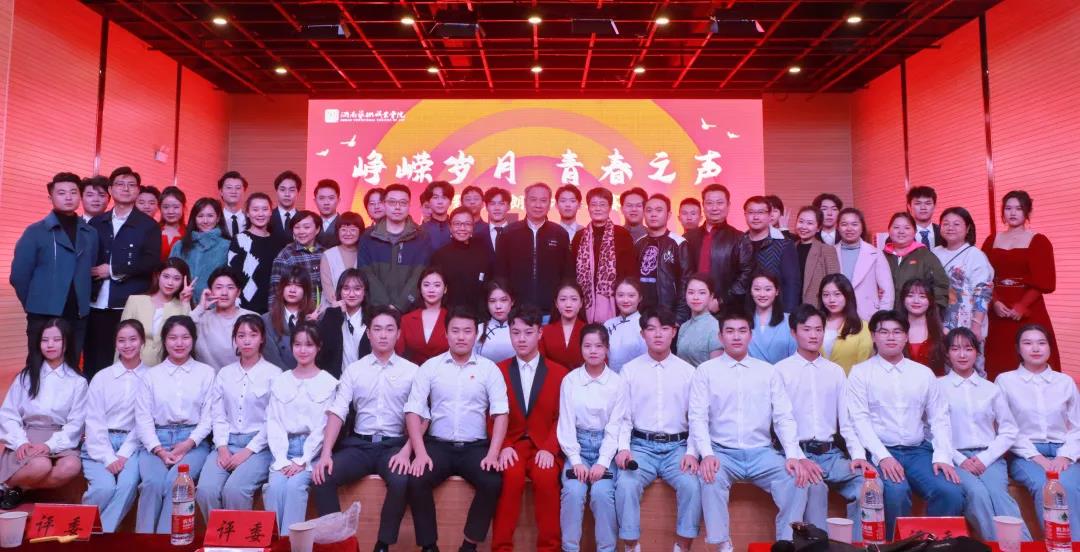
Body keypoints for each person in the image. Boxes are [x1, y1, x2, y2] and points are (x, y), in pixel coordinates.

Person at [692, 309, 807, 549]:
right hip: (722, 452)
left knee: (797, 479)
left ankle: (786, 544)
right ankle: (723, 545)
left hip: (762, 453)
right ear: (720, 336)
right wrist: (707, 454)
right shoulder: (706, 371)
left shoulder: (767, 371)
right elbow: (698, 417)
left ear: (750, 335)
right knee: (710, 477)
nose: (736, 337)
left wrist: (792, 455)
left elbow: (783, 417)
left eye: (742, 331)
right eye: (730, 331)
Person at [845, 310, 964, 540]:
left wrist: (943, 457)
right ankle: (896, 546)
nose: (891, 337)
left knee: (950, 491)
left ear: (906, 336)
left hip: (917, 451)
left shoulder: (923, 374)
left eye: (897, 332)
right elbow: (859, 420)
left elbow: (939, 418)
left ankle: (933, 544)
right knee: (896, 494)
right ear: (873, 336)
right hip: (880, 451)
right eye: (884, 332)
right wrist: (883, 457)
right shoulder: (860, 373)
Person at [404, 307, 510, 552]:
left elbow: (501, 413)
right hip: (438, 446)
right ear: (446, 334)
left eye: (467, 331)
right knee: (416, 479)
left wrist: (493, 454)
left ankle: (469, 546)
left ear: (476, 334)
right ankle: (429, 546)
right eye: (455, 331)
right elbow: (413, 411)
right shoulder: (430, 367)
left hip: (475, 447)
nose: (461, 337)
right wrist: (420, 453)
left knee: (492, 481)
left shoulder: (489, 369)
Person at [312, 306, 417, 551]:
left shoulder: (412, 371)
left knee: (401, 479)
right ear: (368, 333)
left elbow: (421, 417)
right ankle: (338, 544)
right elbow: (338, 412)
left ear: (398, 334)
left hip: (393, 446)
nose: (383, 335)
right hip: (359, 445)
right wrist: (326, 453)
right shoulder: (354, 370)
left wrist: (406, 451)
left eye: (389, 329)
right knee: (322, 476)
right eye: (377, 329)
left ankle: (383, 544)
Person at [774, 305, 870, 540]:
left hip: (831, 455)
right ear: (794, 332)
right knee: (816, 488)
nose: (814, 335)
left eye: (819, 329)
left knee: (868, 484)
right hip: (799, 452)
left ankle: (856, 545)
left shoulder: (835, 372)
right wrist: (799, 457)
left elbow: (847, 421)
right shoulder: (780, 371)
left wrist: (858, 455)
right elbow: (781, 422)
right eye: (807, 329)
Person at [614, 307, 701, 552]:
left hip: (678, 448)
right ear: (643, 334)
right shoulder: (629, 370)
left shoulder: (688, 372)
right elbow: (623, 417)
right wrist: (623, 448)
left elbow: (696, 418)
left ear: (674, 332)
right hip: (641, 447)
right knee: (626, 484)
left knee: (692, 486)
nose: (658, 334)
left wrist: (692, 452)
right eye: (651, 329)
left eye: (664, 328)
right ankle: (632, 546)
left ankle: (681, 547)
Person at [937, 327, 1028, 541]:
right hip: (954, 458)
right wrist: (959, 459)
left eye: (968, 348)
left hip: (989, 457)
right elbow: (930, 431)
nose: (962, 354)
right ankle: (996, 546)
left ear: (977, 352)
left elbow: (1009, 430)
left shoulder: (991, 389)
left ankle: (1024, 546)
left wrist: (985, 458)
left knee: (999, 496)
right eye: (955, 349)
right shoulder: (937, 387)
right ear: (947, 353)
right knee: (977, 495)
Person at [491, 305, 569, 552]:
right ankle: (501, 548)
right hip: (511, 445)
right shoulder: (498, 371)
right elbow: (491, 415)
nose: (521, 339)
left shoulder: (559, 373)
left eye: (528, 332)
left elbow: (564, 417)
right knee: (510, 478)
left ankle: (550, 549)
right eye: (515, 333)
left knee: (546, 478)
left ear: (540, 333)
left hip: (544, 445)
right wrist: (503, 446)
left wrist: (550, 448)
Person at [996, 324, 1080, 535]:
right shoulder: (1005, 381)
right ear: (1018, 348)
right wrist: (1036, 457)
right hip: (1025, 454)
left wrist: (1065, 456)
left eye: (1041, 343)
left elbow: (1077, 426)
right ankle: (1054, 545)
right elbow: (1006, 427)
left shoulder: (1065, 382)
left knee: (1069, 486)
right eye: (1028, 343)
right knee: (1047, 486)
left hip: (1063, 451)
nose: (1035, 348)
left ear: (1050, 347)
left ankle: (1074, 545)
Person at [134, 315, 214, 534]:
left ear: (193, 340)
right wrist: (158, 450)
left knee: (177, 483)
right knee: (151, 484)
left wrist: (188, 444)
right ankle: (142, 543)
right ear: (164, 340)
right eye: (173, 338)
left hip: (193, 442)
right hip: (155, 443)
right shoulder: (151, 375)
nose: (179, 343)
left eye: (185, 337)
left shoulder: (206, 373)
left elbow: (209, 417)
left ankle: (166, 542)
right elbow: (143, 418)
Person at [195, 315, 280, 517]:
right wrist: (222, 447)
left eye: (253, 335)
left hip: (260, 447)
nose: (247, 340)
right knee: (205, 490)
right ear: (235, 339)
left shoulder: (274, 374)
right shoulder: (225, 374)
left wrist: (248, 451)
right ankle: (218, 535)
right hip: (227, 442)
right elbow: (218, 415)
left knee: (235, 490)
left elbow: (273, 420)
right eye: (241, 335)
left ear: (262, 338)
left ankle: (239, 537)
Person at [11, 172, 98, 368]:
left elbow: (89, 269)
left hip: (78, 314)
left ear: (80, 196)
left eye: (73, 192)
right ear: (51, 197)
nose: (68, 197)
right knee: (38, 366)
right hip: (42, 313)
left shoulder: (90, 233)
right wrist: (34, 304)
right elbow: (19, 276)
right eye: (61, 193)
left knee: (72, 364)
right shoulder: (35, 231)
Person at [0, 319, 87, 509]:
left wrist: (50, 445)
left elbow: (76, 423)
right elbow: (8, 414)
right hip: (29, 435)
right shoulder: (26, 376)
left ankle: (17, 488)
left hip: (61, 437)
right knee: (41, 466)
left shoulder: (77, 381)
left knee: (71, 467)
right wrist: (20, 442)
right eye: (45, 340)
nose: (50, 345)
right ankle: (6, 485)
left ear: (66, 343)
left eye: (57, 339)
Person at [86, 166, 162, 378]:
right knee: (94, 357)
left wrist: (112, 270)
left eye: (131, 185)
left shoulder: (148, 226)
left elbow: (151, 262)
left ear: (138, 191)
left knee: (127, 358)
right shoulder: (96, 223)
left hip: (128, 304)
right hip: (95, 302)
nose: (126, 189)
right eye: (120, 184)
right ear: (110, 189)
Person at [558, 324, 627, 552]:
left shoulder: (617, 383)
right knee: (573, 492)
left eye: (599, 346)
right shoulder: (570, 381)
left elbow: (616, 426)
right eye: (587, 346)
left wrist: (603, 461)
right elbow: (566, 423)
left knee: (602, 494)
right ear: (580, 348)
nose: (593, 351)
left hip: (605, 447)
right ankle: (569, 548)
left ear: (607, 349)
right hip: (577, 446)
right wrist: (575, 460)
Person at [264, 323, 338, 535]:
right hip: (282, 449)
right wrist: (282, 459)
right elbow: (274, 421)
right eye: (297, 344)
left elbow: (323, 427)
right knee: (275, 488)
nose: (303, 350)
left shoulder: (328, 382)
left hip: (312, 452)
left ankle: (291, 544)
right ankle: (273, 543)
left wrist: (303, 459)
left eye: (309, 345)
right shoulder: (281, 380)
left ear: (318, 347)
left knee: (295, 487)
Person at [983, 190, 1059, 380]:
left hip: (1029, 309)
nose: (1013, 213)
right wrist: (994, 302)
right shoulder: (991, 240)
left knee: (1031, 355)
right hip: (998, 309)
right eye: (1008, 208)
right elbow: (983, 277)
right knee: (998, 359)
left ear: (1027, 212)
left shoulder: (1039, 240)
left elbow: (1045, 281)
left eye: (1018, 208)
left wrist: (1022, 305)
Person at [81, 319, 146, 532]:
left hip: (134, 444)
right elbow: (93, 420)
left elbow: (145, 421)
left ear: (143, 341)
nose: (127, 345)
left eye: (133, 339)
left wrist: (124, 453)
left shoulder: (151, 377)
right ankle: (79, 527)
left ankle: (102, 536)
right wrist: (108, 456)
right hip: (99, 442)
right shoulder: (102, 377)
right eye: (121, 340)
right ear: (115, 344)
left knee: (127, 485)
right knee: (104, 488)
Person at [496, 182, 571, 313]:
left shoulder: (560, 233)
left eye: (543, 200)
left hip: (552, 310)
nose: (538, 205)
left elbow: (567, 274)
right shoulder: (508, 233)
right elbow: (500, 273)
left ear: (549, 204)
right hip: (517, 310)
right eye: (533, 200)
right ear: (525, 202)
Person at [357, 184, 434, 312]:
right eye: (392, 202)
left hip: (411, 310)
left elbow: (420, 274)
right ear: (384, 204)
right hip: (376, 310)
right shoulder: (368, 236)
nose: (397, 207)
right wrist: (385, 306)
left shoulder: (421, 236)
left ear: (409, 205)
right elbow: (366, 273)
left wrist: (400, 306)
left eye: (403, 203)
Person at [571, 187, 636, 323]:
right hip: (584, 305)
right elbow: (572, 273)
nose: (598, 209)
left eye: (602, 204)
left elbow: (630, 273)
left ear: (610, 208)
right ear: (588, 208)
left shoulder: (622, 235)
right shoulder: (579, 237)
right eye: (593, 205)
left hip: (616, 304)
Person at [685, 184, 754, 309]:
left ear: (728, 205)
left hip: (726, 310)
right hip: (691, 308)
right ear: (703, 206)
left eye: (720, 203)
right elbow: (682, 275)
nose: (714, 208)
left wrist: (721, 301)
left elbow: (746, 275)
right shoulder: (688, 238)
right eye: (709, 203)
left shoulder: (740, 238)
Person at [933, 207, 994, 341]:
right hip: (938, 324)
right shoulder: (934, 252)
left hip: (967, 325)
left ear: (968, 228)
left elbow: (983, 292)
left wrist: (976, 326)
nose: (950, 228)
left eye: (956, 224)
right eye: (946, 224)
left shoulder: (975, 255)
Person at [120, 257, 194, 366]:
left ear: (183, 281)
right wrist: (117, 369)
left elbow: (188, 337)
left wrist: (186, 304)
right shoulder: (135, 301)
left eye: (176, 278)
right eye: (166, 276)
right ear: (158, 276)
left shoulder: (182, 306)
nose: (170, 283)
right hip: (134, 366)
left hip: (167, 367)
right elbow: (121, 339)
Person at [228, 192, 286, 314]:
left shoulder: (279, 242)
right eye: (255, 209)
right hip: (245, 307)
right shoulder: (240, 240)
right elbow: (232, 276)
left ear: (271, 212)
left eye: (265, 209)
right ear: (248, 213)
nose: (260, 214)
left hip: (275, 307)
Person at [636, 193, 691, 321]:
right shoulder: (639, 243)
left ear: (669, 215)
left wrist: (679, 318)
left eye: (659, 210)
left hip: (668, 313)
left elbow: (686, 283)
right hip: (641, 313)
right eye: (649, 210)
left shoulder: (679, 243)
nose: (653, 214)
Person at [192, 267, 255, 371]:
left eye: (230, 287)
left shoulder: (251, 318)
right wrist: (200, 308)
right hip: (207, 379)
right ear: (210, 291)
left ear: (238, 292)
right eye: (219, 287)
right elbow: (178, 331)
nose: (224, 293)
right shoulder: (200, 318)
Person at [836, 208, 894, 320]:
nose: (849, 228)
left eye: (854, 224)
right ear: (838, 227)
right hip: (838, 315)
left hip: (868, 315)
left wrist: (881, 318)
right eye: (844, 224)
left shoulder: (875, 253)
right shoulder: (830, 253)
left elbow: (888, 291)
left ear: (862, 227)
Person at [883, 212, 948, 312]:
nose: (901, 231)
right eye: (896, 227)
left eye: (907, 228)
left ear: (915, 231)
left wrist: (933, 313)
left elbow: (941, 286)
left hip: (917, 316)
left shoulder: (926, 256)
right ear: (889, 230)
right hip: (886, 316)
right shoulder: (880, 256)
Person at [745, 196, 800, 311]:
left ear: (769, 215)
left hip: (776, 312)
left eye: (761, 212)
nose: (755, 217)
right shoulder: (740, 242)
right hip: (744, 311)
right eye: (751, 212)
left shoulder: (784, 244)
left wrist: (788, 314)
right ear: (745, 215)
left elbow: (791, 283)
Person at [431, 206, 492, 310]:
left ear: (473, 227)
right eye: (457, 224)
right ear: (450, 227)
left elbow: (490, 285)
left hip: (479, 313)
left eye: (467, 224)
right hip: (449, 313)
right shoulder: (440, 255)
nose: (462, 228)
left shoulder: (484, 252)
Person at [170, 197, 230, 300]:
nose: (205, 221)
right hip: (182, 302)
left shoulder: (228, 246)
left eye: (210, 216)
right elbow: (170, 275)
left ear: (218, 218)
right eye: (200, 216)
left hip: (214, 303)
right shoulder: (180, 246)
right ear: (194, 218)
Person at [315, 269, 371, 379]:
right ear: (339, 291)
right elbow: (323, 352)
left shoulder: (373, 318)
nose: (351, 294)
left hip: (366, 381)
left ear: (365, 292)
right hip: (335, 381)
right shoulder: (330, 316)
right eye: (346, 288)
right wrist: (334, 314)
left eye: (357, 289)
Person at [263, 266, 317, 371]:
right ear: (281, 288)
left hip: (311, 376)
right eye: (288, 285)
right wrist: (290, 378)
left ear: (305, 290)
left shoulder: (315, 318)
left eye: (298, 286)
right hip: (279, 377)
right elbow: (272, 358)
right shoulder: (266, 320)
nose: (292, 290)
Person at [271, 210, 325, 309]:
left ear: (317, 229)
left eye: (306, 227)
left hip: (323, 312)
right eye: (297, 227)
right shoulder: (285, 255)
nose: (301, 231)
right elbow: (276, 291)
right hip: (298, 312)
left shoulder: (324, 253)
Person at [819, 274, 873, 373]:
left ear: (847, 295)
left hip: (850, 381)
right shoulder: (815, 324)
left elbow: (864, 363)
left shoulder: (862, 327)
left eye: (837, 294)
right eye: (826, 295)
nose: (831, 300)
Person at [396, 268, 450, 366]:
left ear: (445, 289)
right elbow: (398, 354)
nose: (431, 290)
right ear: (420, 289)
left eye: (437, 285)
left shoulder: (452, 319)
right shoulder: (406, 320)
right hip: (413, 372)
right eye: (426, 285)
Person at [793, 205, 841, 305]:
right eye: (801, 221)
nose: (804, 227)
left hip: (816, 307)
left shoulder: (827, 250)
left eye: (809, 223)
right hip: (791, 307)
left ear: (818, 228)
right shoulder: (790, 248)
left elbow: (834, 283)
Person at [898, 278, 946, 374]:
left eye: (922, 296)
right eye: (910, 296)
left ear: (930, 301)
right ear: (903, 299)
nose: (916, 301)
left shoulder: (943, 333)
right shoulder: (894, 332)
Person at [747, 272, 796, 364]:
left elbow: (796, 357)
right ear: (750, 291)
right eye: (757, 289)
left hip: (783, 372)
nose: (762, 294)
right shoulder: (743, 321)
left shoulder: (790, 320)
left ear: (777, 291)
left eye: (768, 289)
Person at [676, 273, 722, 367]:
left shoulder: (716, 327)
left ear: (711, 296)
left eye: (702, 293)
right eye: (691, 292)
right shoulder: (683, 327)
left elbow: (716, 369)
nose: (696, 297)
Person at [603, 277, 647, 373]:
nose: (625, 300)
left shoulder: (645, 324)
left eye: (631, 296)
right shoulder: (608, 324)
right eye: (620, 295)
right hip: (611, 379)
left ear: (640, 298)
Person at [319, 211, 363, 306]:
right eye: (343, 230)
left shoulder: (364, 254)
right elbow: (327, 286)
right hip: (333, 306)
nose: (348, 233)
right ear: (337, 232)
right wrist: (339, 304)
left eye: (353, 230)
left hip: (360, 307)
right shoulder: (328, 255)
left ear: (360, 232)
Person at [539, 282, 586, 370]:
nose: (568, 305)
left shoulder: (590, 331)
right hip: (552, 377)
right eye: (563, 299)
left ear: (581, 303)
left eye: (574, 299)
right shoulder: (544, 331)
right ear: (556, 303)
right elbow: (540, 364)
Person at [476, 279, 515, 363]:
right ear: (487, 304)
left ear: (512, 301)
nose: (498, 306)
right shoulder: (478, 330)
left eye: (503, 300)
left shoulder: (522, 329)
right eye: (492, 301)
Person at [477, 187, 512, 257]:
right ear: (486, 207)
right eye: (492, 204)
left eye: (501, 203)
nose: (497, 208)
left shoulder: (517, 234)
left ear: (509, 207)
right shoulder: (478, 236)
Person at [315, 179, 349, 249]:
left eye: (331, 198)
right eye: (321, 198)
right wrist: (314, 251)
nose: (326, 203)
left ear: (338, 200)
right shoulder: (310, 224)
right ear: (315, 201)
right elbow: (306, 246)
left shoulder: (346, 224)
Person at [421, 180, 454, 250]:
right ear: (428, 202)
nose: (440, 202)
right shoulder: (420, 231)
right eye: (435, 197)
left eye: (444, 197)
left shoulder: (457, 228)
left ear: (450, 202)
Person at [270, 171, 301, 244]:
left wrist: (310, 248)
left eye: (292, 190)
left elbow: (311, 246)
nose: (287, 194)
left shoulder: (304, 219)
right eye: (282, 189)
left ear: (298, 193)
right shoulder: (267, 218)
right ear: (276, 191)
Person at [159, 186, 187, 263]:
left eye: (176, 207)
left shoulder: (190, 233)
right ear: (160, 208)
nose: (170, 211)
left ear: (183, 208)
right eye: (166, 207)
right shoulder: (152, 230)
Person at [218, 171, 248, 238]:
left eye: (238, 188)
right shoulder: (215, 219)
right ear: (221, 192)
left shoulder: (251, 219)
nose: (233, 191)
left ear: (244, 191)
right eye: (229, 187)